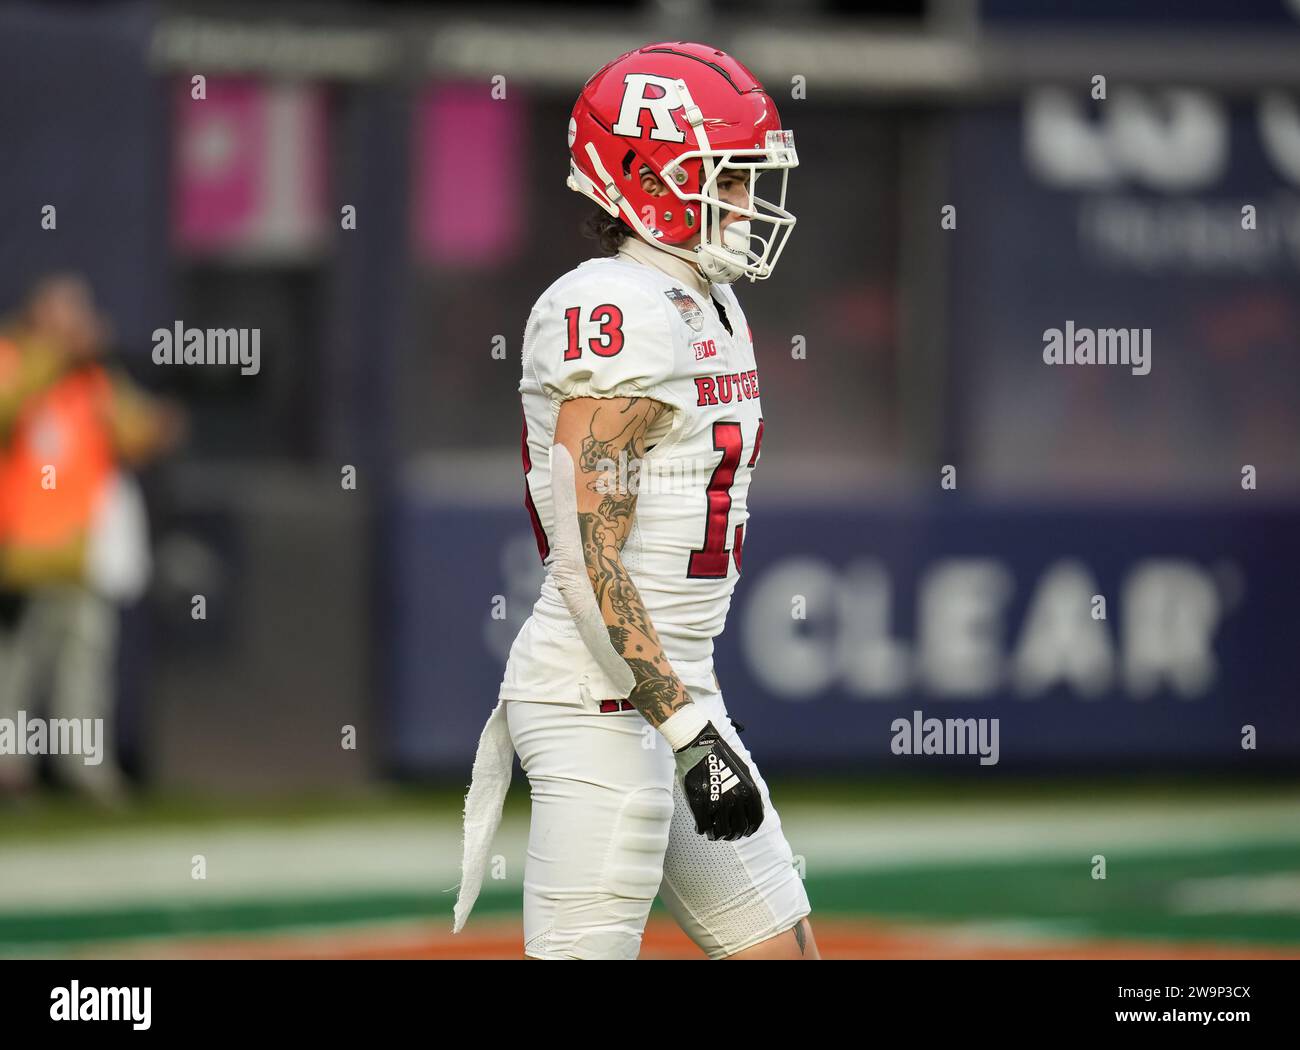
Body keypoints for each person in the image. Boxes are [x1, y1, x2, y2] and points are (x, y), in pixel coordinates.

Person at [455, 42, 816, 959]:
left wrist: (689, 715)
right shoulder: (616, 308)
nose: (742, 203)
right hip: (597, 700)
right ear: (647, 178)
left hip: (672, 690)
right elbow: (588, 558)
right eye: (722, 179)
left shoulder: (702, 298)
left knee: (784, 948)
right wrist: (688, 729)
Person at [0, 274, 182, 805]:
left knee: (84, 663)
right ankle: (10, 772)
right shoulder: (14, 358)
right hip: (20, 553)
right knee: (14, 669)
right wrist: (54, 357)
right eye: (66, 314)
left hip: (79, 552)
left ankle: (85, 771)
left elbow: (131, 435)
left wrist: (157, 426)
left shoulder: (93, 378)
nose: (78, 325)